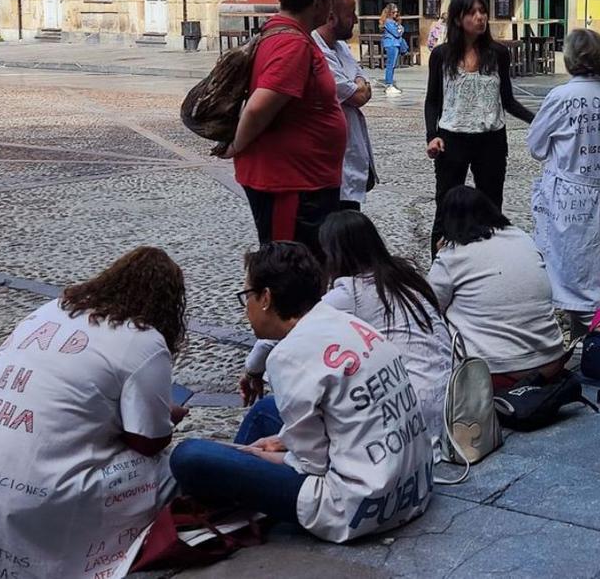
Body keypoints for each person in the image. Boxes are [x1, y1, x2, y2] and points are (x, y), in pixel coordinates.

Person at [0, 247, 187, 579]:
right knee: (167, 469)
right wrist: (166, 414)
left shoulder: (51, 310)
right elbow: (149, 441)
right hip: (34, 485)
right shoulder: (145, 340)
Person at [171, 242, 433, 543]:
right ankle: (230, 504)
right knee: (263, 410)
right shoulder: (348, 322)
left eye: (247, 296)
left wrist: (255, 456)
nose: (246, 307)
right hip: (412, 485)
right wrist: (281, 441)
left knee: (188, 456)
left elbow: (311, 465)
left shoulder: (289, 355)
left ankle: (224, 507)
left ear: (266, 298)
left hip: (355, 505)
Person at [217, 0, 347, 261]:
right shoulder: (293, 44)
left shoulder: (281, 32)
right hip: (290, 186)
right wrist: (235, 145)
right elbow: (259, 106)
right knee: (289, 268)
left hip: (300, 181)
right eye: (331, 0)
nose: (332, 10)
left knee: (301, 266)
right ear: (318, 3)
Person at [319, 210, 452, 448]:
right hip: (451, 399)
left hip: (409, 411)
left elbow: (299, 330)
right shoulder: (407, 276)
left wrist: (253, 369)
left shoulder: (349, 292)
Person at [528, 29, 600, 337]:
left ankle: (581, 325)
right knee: (593, 257)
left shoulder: (561, 97)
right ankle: (588, 320)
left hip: (569, 190)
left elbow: (536, 145)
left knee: (565, 257)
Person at [425, 0, 535, 252]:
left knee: (491, 207)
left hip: (491, 141)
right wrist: (432, 135)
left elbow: (507, 100)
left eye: (483, 11)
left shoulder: (498, 53)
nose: (480, 17)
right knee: (447, 206)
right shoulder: (441, 55)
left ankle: (489, 264)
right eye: (472, 12)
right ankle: (440, 269)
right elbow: (432, 101)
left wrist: (539, 120)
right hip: (452, 140)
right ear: (458, 19)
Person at [429, 186, 567, 389]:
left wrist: (440, 257)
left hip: (497, 373)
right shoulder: (521, 237)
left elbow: (429, 307)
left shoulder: (453, 255)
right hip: (552, 361)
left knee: (443, 314)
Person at [313, 0, 377, 211]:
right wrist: (358, 86)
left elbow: (361, 81)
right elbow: (358, 94)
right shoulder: (315, 50)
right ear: (331, 17)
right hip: (329, 167)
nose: (356, 20)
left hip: (349, 163)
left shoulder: (340, 46)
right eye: (351, 13)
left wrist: (357, 85)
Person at [380, 3, 407, 95]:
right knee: (390, 65)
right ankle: (389, 85)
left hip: (395, 44)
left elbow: (401, 29)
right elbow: (397, 33)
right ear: (389, 12)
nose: (396, 14)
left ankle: (390, 83)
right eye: (394, 12)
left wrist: (400, 28)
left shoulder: (394, 22)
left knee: (393, 65)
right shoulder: (388, 22)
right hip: (391, 44)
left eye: (397, 12)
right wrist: (400, 29)